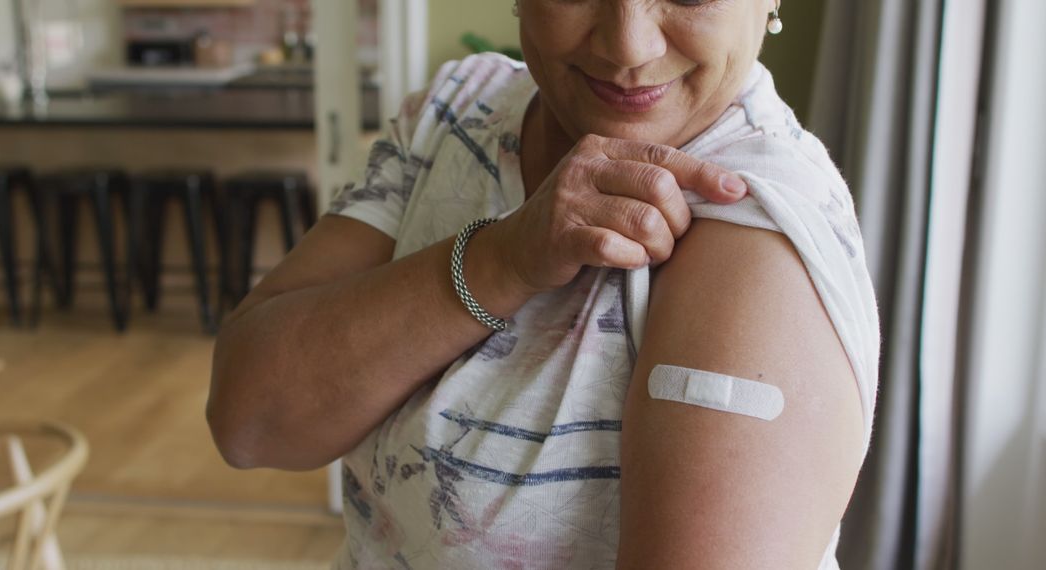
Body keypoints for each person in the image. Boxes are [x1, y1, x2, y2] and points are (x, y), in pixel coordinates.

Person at [208, 0, 879, 568]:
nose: (628, 46)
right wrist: (503, 259)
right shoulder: (457, 113)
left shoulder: (756, 229)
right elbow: (246, 419)